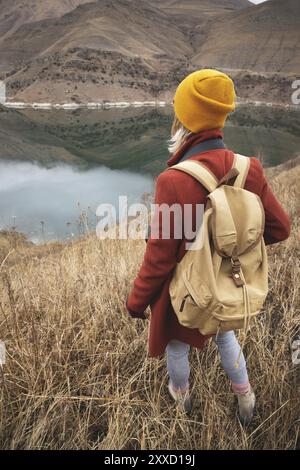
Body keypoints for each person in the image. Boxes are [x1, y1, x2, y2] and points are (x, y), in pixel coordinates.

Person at [125, 69, 291, 424]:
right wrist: (234, 249)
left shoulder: (174, 180)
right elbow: (280, 229)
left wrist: (136, 302)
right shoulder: (250, 169)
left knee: (176, 345)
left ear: (183, 116)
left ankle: (181, 400)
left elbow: (160, 258)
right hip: (228, 285)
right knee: (226, 337)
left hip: (187, 292)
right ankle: (245, 398)